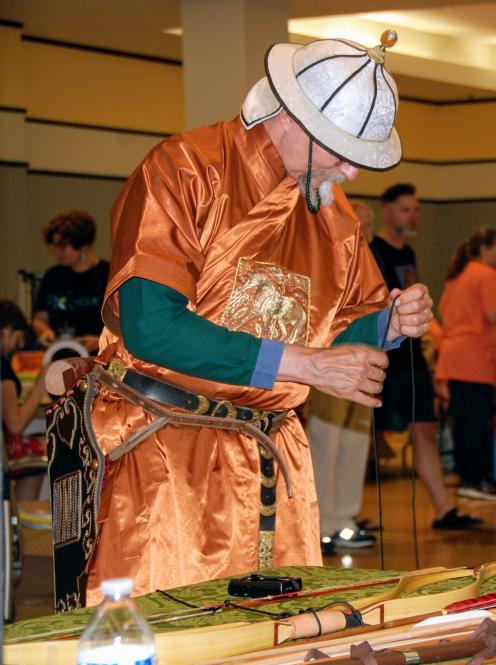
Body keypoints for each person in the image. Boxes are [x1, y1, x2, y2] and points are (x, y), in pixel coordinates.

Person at [47, 32, 435, 608]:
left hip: (273, 462)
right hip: (166, 457)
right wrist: (302, 363)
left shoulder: (332, 212)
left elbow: (335, 334)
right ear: (296, 122)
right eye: (340, 153)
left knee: (285, 634)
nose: (351, 174)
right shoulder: (184, 170)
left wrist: (388, 325)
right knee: (169, 631)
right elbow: (149, 325)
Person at [368, 183, 481, 530]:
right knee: (372, 436)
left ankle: (443, 509)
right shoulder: (375, 252)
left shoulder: (408, 253)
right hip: (385, 356)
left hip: (413, 358)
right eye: (406, 209)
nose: (413, 215)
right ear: (387, 212)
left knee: (426, 431)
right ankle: (340, 517)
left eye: (416, 209)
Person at [436, 229, 496, 501]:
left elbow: (444, 312)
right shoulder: (486, 275)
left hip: (453, 354)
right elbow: (493, 313)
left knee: (463, 421)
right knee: (477, 422)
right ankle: (479, 480)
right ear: (485, 249)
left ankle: (466, 478)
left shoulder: (458, 275)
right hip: (474, 356)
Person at [307, 201, 379, 554]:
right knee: (327, 438)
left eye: (367, 225)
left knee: (355, 440)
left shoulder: (369, 264)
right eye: (358, 223)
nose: (363, 229)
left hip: (364, 360)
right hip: (328, 360)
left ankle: (346, 519)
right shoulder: (324, 256)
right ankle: (322, 522)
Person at [33, 210, 110, 353]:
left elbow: (124, 325)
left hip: (101, 356)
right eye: (55, 246)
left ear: (83, 245)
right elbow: (40, 319)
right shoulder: (52, 276)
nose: (58, 252)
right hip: (61, 354)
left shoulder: (108, 274)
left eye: (63, 246)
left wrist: (101, 340)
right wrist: (45, 332)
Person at [1, 301, 49, 501]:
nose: (15, 346)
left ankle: (19, 519)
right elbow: (16, 424)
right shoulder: (3, 368)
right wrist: (42, 383)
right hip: (6, 450)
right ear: (6, 331)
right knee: (50, 446)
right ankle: (23, 519)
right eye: (17, 339)